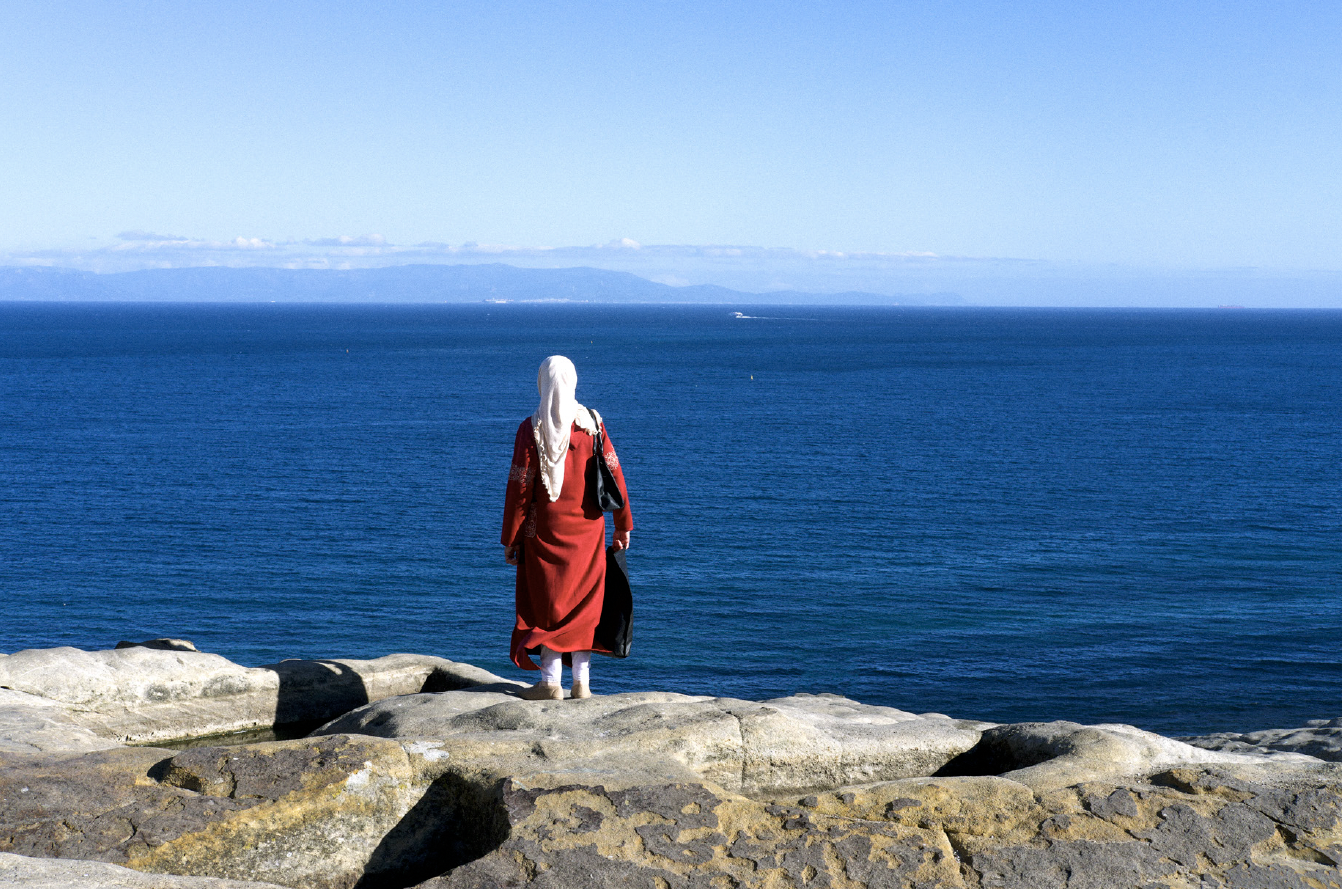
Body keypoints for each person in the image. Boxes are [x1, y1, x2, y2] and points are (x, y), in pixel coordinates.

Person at [502, 355, 633, 700]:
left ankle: (549, 683)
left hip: (542, 533)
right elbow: (615, 476)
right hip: (589, 532)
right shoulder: (593, 424)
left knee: (548, 606)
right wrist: (623, 526)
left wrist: (511, 538)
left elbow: (520, 487)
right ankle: (582, 683)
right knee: (583, 607)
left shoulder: (531, 428)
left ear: (542, 383)